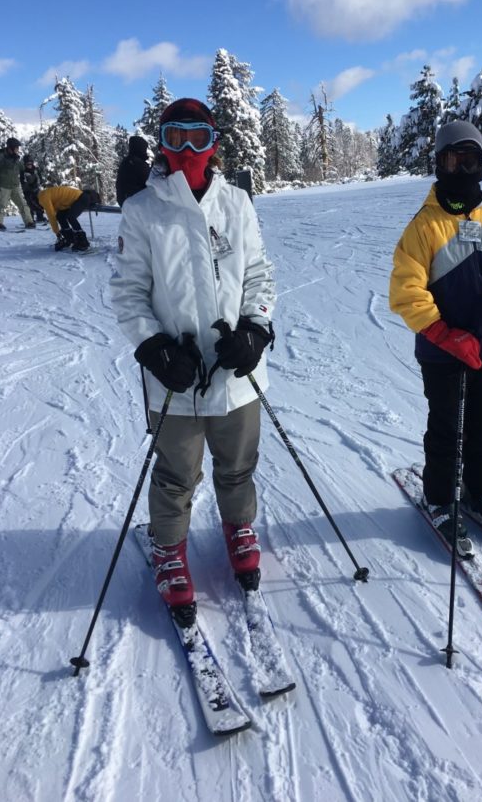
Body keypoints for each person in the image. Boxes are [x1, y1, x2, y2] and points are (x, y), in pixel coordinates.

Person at [110, 98, 275, 627]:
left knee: (237, 465)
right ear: (161, 143)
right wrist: (154, 349)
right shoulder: (142, 209)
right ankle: (170, 550)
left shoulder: (238, 203)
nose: (186, 150)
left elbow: (259, 276)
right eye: (175, 137)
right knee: (177, 474)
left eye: (197, 138)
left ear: (215, 144)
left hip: (235, 373)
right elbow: (129, 292)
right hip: (174, 377)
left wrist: (254, 330)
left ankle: (238, 528)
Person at [389, 120, 482, 551]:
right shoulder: (423, 226)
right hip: (442, 348)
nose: (463, 169)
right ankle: (439, 498)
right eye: (455, 160)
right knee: (447, 426)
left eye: (472, 160)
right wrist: (443, 333)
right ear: (439, 163)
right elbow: (405, 291)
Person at [0, 138, 35, 230]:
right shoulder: (1, 156)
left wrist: (28, 169)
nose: (18, 149)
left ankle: (29, 222)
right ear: (11, 147)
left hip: (15, 185)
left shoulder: (15, 157)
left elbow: (20, 166)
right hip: (3, 186)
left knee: (23, 204)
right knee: (1, 204)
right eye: (16, 147)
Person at [38, 186, 101, 251]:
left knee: (71, 217)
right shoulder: (44, 194)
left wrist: (57, 232)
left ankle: (83, 242)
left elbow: (51, 215)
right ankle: (69, 239)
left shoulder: (43, 198)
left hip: (82, 198)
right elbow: (58, 208)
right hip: (76, 200)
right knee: (60, 216)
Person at [115, 135, 150, 206]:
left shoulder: (126, 162)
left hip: (126, 202)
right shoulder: (138, 163)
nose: (146, 151)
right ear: (141, 148)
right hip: (137, 203)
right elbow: (150, 182)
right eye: (145, 149)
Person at [20, 155, 47, 224]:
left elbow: (40, 178)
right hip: (28, 190)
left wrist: (41, 182)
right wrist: (29, 187)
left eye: (30, 163)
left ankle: (40, 216)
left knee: (39, 202)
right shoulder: (23, 171)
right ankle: (30, 219)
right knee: (30, 204)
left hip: (36, 189)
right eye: (27, 164)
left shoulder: (36, 169)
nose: (29, 165)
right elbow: (23, 182)